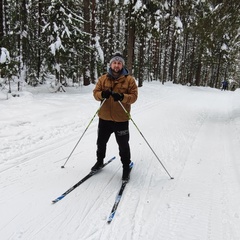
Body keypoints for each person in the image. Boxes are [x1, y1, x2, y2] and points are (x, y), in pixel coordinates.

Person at [92, 52, 138, 181]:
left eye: (119, 63)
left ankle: (125, 166)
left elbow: (134, 97)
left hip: (121, 119)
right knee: (101, 142)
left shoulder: (129, 80)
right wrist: (102, 95)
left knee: (123, 144)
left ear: (122, 65)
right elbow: (95, 93)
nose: (116, 65)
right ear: (110, 64)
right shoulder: (103, 79)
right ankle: (99, 161)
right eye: (114, 63)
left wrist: (123, 97)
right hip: (104, 117)